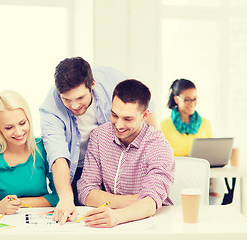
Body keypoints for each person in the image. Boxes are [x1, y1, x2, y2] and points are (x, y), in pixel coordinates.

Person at [39, 57, 158, 224]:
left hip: (114, 163)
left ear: (92, 85)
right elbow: (58, 155)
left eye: (80, 98)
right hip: (73, 169)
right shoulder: (50, 108)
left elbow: (146, 108)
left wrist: (154, 148)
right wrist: (66, 198)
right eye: (67, 99)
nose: (74, 106)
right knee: (81, 216)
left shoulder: (111, 80)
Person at [77, 79, 174, 228]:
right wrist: (136, 201)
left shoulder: (158, 145)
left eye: (128, 119)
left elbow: (151, 202)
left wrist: (117, 215)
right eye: (114, 115)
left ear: (144, 115)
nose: (119, 125)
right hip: (111, 224)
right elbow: (86, 192)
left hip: (151, 225)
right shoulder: (99, 136)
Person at [160, 79, 223, 205]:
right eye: (187, 99)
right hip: (177, 176)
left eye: (194, 99)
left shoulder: (205, 124)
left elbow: (213, 152)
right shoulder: (164, 125)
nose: (192, 103)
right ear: (177, 99)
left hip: (203, 175)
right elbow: (161, 156)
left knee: (217, 186)